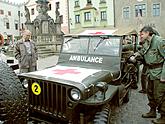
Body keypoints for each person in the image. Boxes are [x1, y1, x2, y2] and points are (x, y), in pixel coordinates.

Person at [133, 26, 165, 124]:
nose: (140, 36)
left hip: (159, 73)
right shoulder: (146, 43)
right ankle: (152, 112)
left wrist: (164, 75)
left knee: (159, 95)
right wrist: (136, 56)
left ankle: (163, 117)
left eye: (141, 34)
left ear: (148, 33)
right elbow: (143, 53)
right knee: (150, 93)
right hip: (150, 72)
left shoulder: (159, 41)